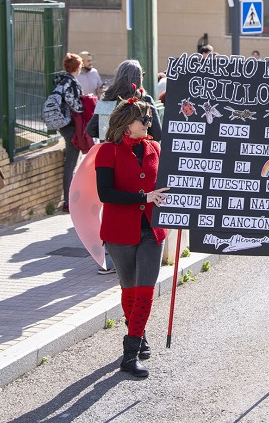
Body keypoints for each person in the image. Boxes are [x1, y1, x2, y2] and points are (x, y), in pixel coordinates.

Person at [96, 94, 169, 377]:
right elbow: (106, 193)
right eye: (145, 119)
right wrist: (144, 196)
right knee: (129, 290)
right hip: (119, 230)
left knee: (146, 290)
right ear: (127, 123)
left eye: (150, 118)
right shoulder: (107, 151)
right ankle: (140, 335)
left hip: (152, 229)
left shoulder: (154, 147)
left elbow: (165, 185)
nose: (149, 123)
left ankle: (130, 351)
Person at [53, 54, 85, 213]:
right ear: (78, 68)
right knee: (71, 163)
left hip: (63, 125)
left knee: (72, 163)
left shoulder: (59, 80)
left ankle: (69, 199)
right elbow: (76, 106)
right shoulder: (71, 83)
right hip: (71, 126)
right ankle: (68, 201)